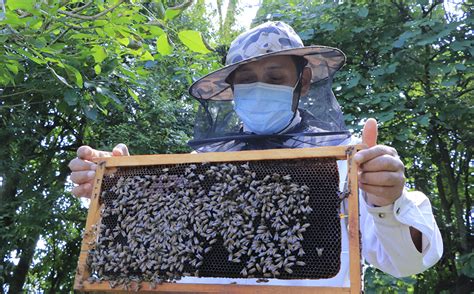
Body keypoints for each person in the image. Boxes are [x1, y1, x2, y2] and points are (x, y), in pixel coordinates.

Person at [68, 21, 442, 287]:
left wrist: (386, 204)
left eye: (275, 76)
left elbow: (406, 263)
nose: (259, 86)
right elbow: (160, 248)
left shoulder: (349, 162)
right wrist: (115, 190)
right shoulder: (205, 163)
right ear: (231, 90)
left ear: (304, 81)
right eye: (246, 79)